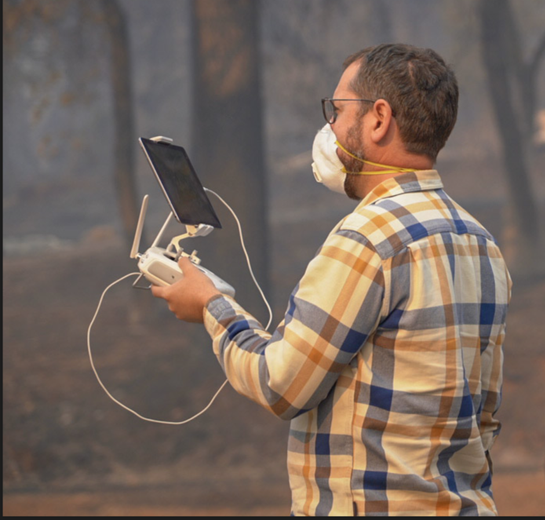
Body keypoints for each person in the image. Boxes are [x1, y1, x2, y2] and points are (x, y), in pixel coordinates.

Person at [153, 43, 511, 516]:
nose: (331, 129)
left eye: (338, 111)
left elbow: (280, 384)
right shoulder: (481, 242)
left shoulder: (368, 238)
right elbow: (484, 417)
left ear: (379, 118)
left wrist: (210, 306)